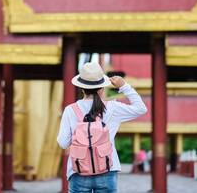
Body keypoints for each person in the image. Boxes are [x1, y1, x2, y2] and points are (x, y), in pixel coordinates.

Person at [57, 62, 148, 193]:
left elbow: (63, 143)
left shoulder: (70, 110)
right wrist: (124, 86)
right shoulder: (112, 108)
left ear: (81, 88)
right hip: (107, 170)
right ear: (102, 89)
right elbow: (141, 109)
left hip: (78, 170)